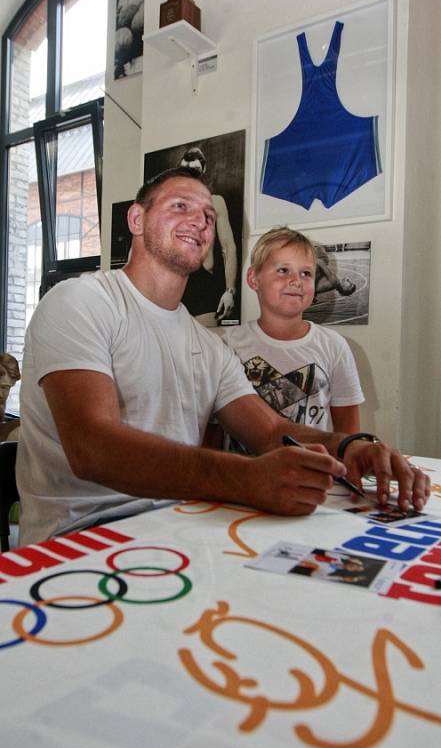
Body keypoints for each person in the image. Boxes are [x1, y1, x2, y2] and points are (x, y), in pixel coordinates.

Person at [16, 167, 430, 546]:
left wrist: (350, 446)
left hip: (178, 521)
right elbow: (93, 448)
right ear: (137, 220)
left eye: (209, 217)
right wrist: (247, 478)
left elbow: (269, 431)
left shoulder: (209, 344)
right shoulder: (80, 301)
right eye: (180, 206)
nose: (199, 221)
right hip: (80, 537)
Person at [222, 227, 363, 435]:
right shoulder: (229, 343)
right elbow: (213, 429)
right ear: (253, 279)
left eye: (306, 273)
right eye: (283, 270)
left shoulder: (334, 345)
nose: (296, 281)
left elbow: (349, 435)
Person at [178, 147, 237, 326]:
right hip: (179, 281)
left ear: (203, 171)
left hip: (205, 282)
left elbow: (229, 247)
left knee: (206, 347)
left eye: (194, 171)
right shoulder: (173, 206)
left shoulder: (215, 202)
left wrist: (230, 291)